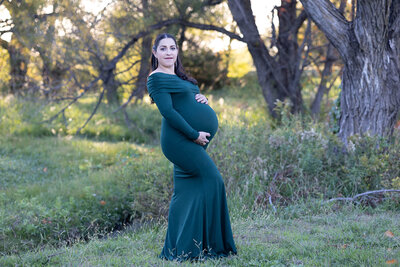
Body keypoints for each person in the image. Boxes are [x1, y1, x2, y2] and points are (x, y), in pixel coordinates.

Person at [146, 32, 237, 261]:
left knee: (185, 193)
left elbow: (187, 100)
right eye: (163, 48)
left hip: (191, 139)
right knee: (213, 180)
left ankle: (182, 248)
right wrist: (194, 134)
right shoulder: (156, 78)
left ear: (177, 52)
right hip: (179, 141)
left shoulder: (179, 77)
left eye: (172, 48)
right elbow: (168, 112)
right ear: (155, 53)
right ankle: (215, 246)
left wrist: (203, 99)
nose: (169, 52)